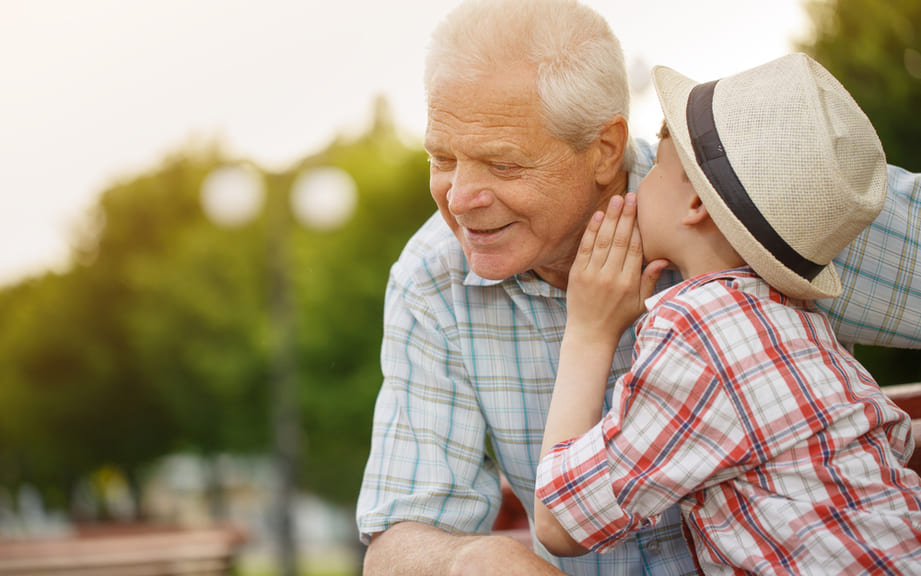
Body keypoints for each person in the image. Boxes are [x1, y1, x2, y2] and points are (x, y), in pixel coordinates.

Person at [356, 1, 921, 574]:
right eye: (442, 157)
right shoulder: (432, 280)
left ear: (604, 150)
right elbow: (397, 539)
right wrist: (467, 561)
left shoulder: (769, 199)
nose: (458, 198)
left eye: (502, 166)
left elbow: (561, 517)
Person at [533, 53, 921, 574]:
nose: (637, 186)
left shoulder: (697, 331)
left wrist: (587, 331)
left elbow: (560, 522)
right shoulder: (799, 319)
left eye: (656, 172)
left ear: (695, 202)